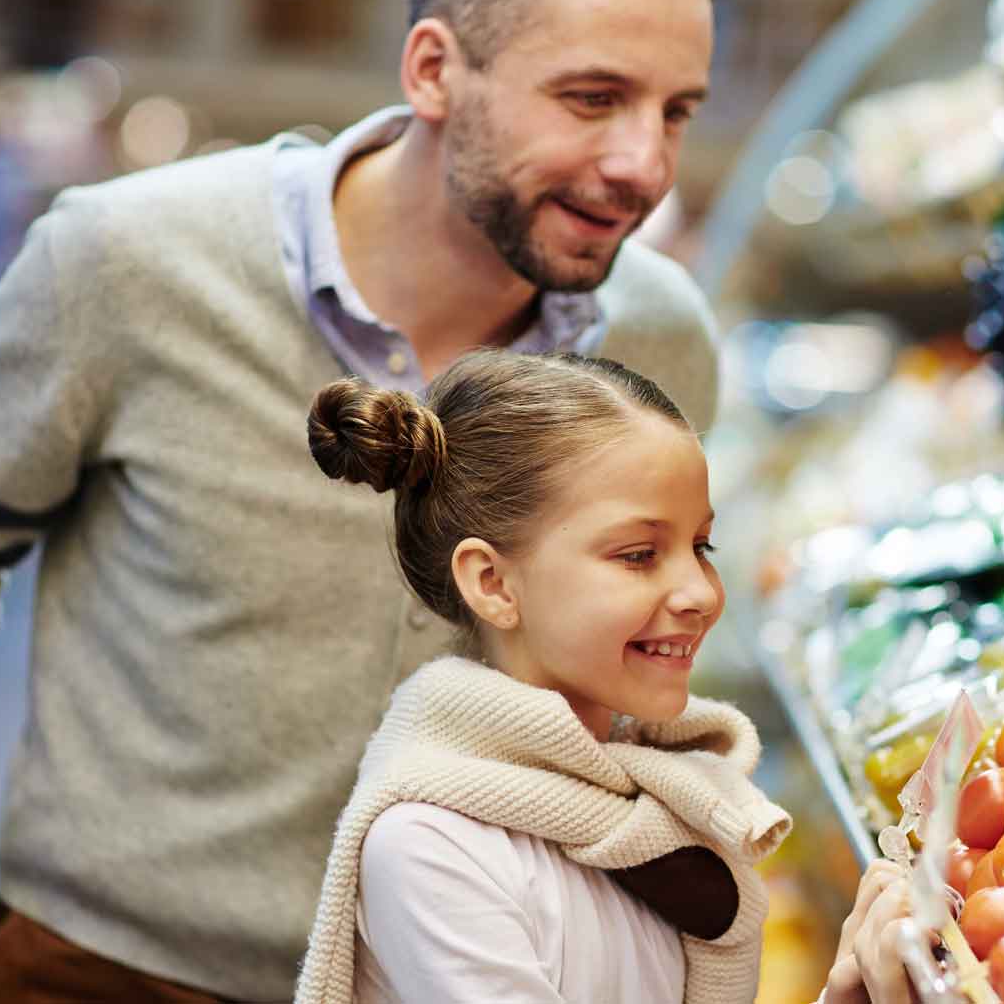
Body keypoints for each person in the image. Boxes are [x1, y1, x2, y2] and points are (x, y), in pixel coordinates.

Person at [0, 0, 729, 999]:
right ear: (434, 69)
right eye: (593, 98)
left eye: (677, 110)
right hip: (104, 971)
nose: (646, 164)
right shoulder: (127, 261)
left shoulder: (661, 342)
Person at [295, 351, 923, 1003]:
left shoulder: (648, 804)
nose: (701, 593)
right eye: (638, 554)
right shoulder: (431, 849)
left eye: (701, 548)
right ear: (492, 583)